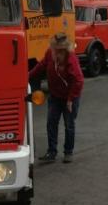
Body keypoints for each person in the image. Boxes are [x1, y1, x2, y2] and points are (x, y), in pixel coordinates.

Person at [29, 32, 84, 164]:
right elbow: (41, 66)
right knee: (51, 123)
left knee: (69, 125)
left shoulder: (71, 58)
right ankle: (51, 152)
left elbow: (78, 81)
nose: (57, 52)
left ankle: (68, 152)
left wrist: (71, 99)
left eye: (60, 50)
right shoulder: (50, 53)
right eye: (55, 49)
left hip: (70, 97)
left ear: (65, 49)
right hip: (55, 95)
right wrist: (27, 76)